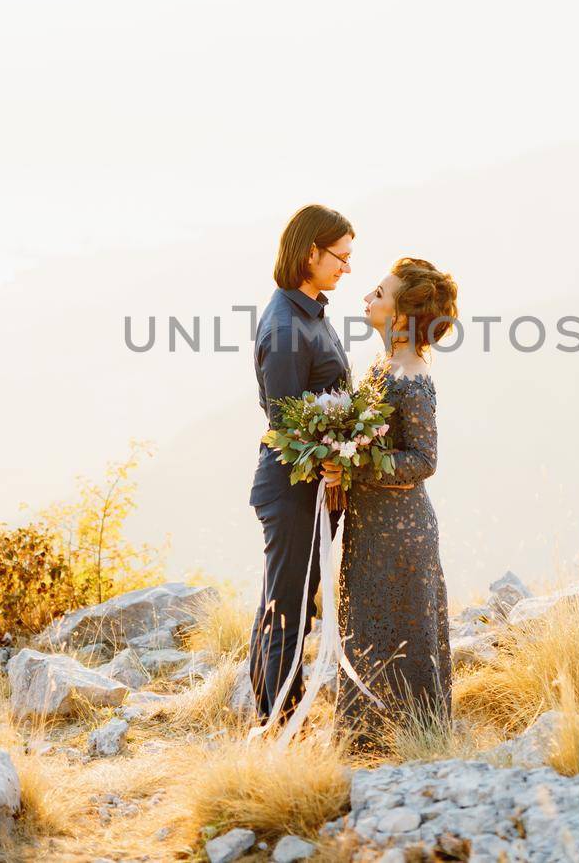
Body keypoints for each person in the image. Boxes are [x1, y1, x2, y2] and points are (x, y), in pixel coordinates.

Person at [322, 256, 457, 750]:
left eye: (378, 294)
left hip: (402, 531)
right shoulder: (383, 364)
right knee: (364, 623)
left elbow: (424, 459)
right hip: (370, 523)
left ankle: (415, 742)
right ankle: (365, 742)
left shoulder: (413, 376)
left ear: (400, 316)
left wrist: (355, 466)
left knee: (400, 633)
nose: (367, 298)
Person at [247, 203, 354, 723]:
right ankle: (278, 725)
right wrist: (331, 460)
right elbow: (288, 425)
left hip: (308, 488)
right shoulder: (286, 326)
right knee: (288, 610)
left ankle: (268, 716)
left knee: (283, 599)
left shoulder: (310, 311)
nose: (347, 268)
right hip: (293, 490)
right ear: (310, 252)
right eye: (341, 256)